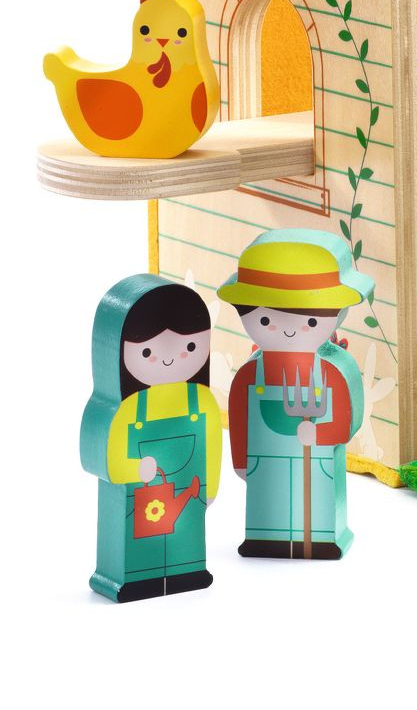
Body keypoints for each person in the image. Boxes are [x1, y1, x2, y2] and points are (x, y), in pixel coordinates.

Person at [217, 230, 373, 560]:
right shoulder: (250, 373)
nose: (288, 329)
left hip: (317, 464)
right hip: (264, 466)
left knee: (313, 513)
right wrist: (241, 462)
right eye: (265, 319)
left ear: (338, 313)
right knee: (267, 513)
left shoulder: (333, 370)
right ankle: (264, 540)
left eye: (310, 321)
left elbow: (347, 424)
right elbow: (239, 419)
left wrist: (319, 434)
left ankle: (319, 541)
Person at [80, 276, 223, 602]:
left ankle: (188, 572)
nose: (170, 359)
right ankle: (132, 580)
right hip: (136, 500)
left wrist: (210, 489)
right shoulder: (124, 408)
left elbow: (212, 444)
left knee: (187, 543)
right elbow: (96, 458)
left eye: (189, 347)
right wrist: (134, 470)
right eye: (148, 351)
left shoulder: (202, 401)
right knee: (138, 549)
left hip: (189, 493)